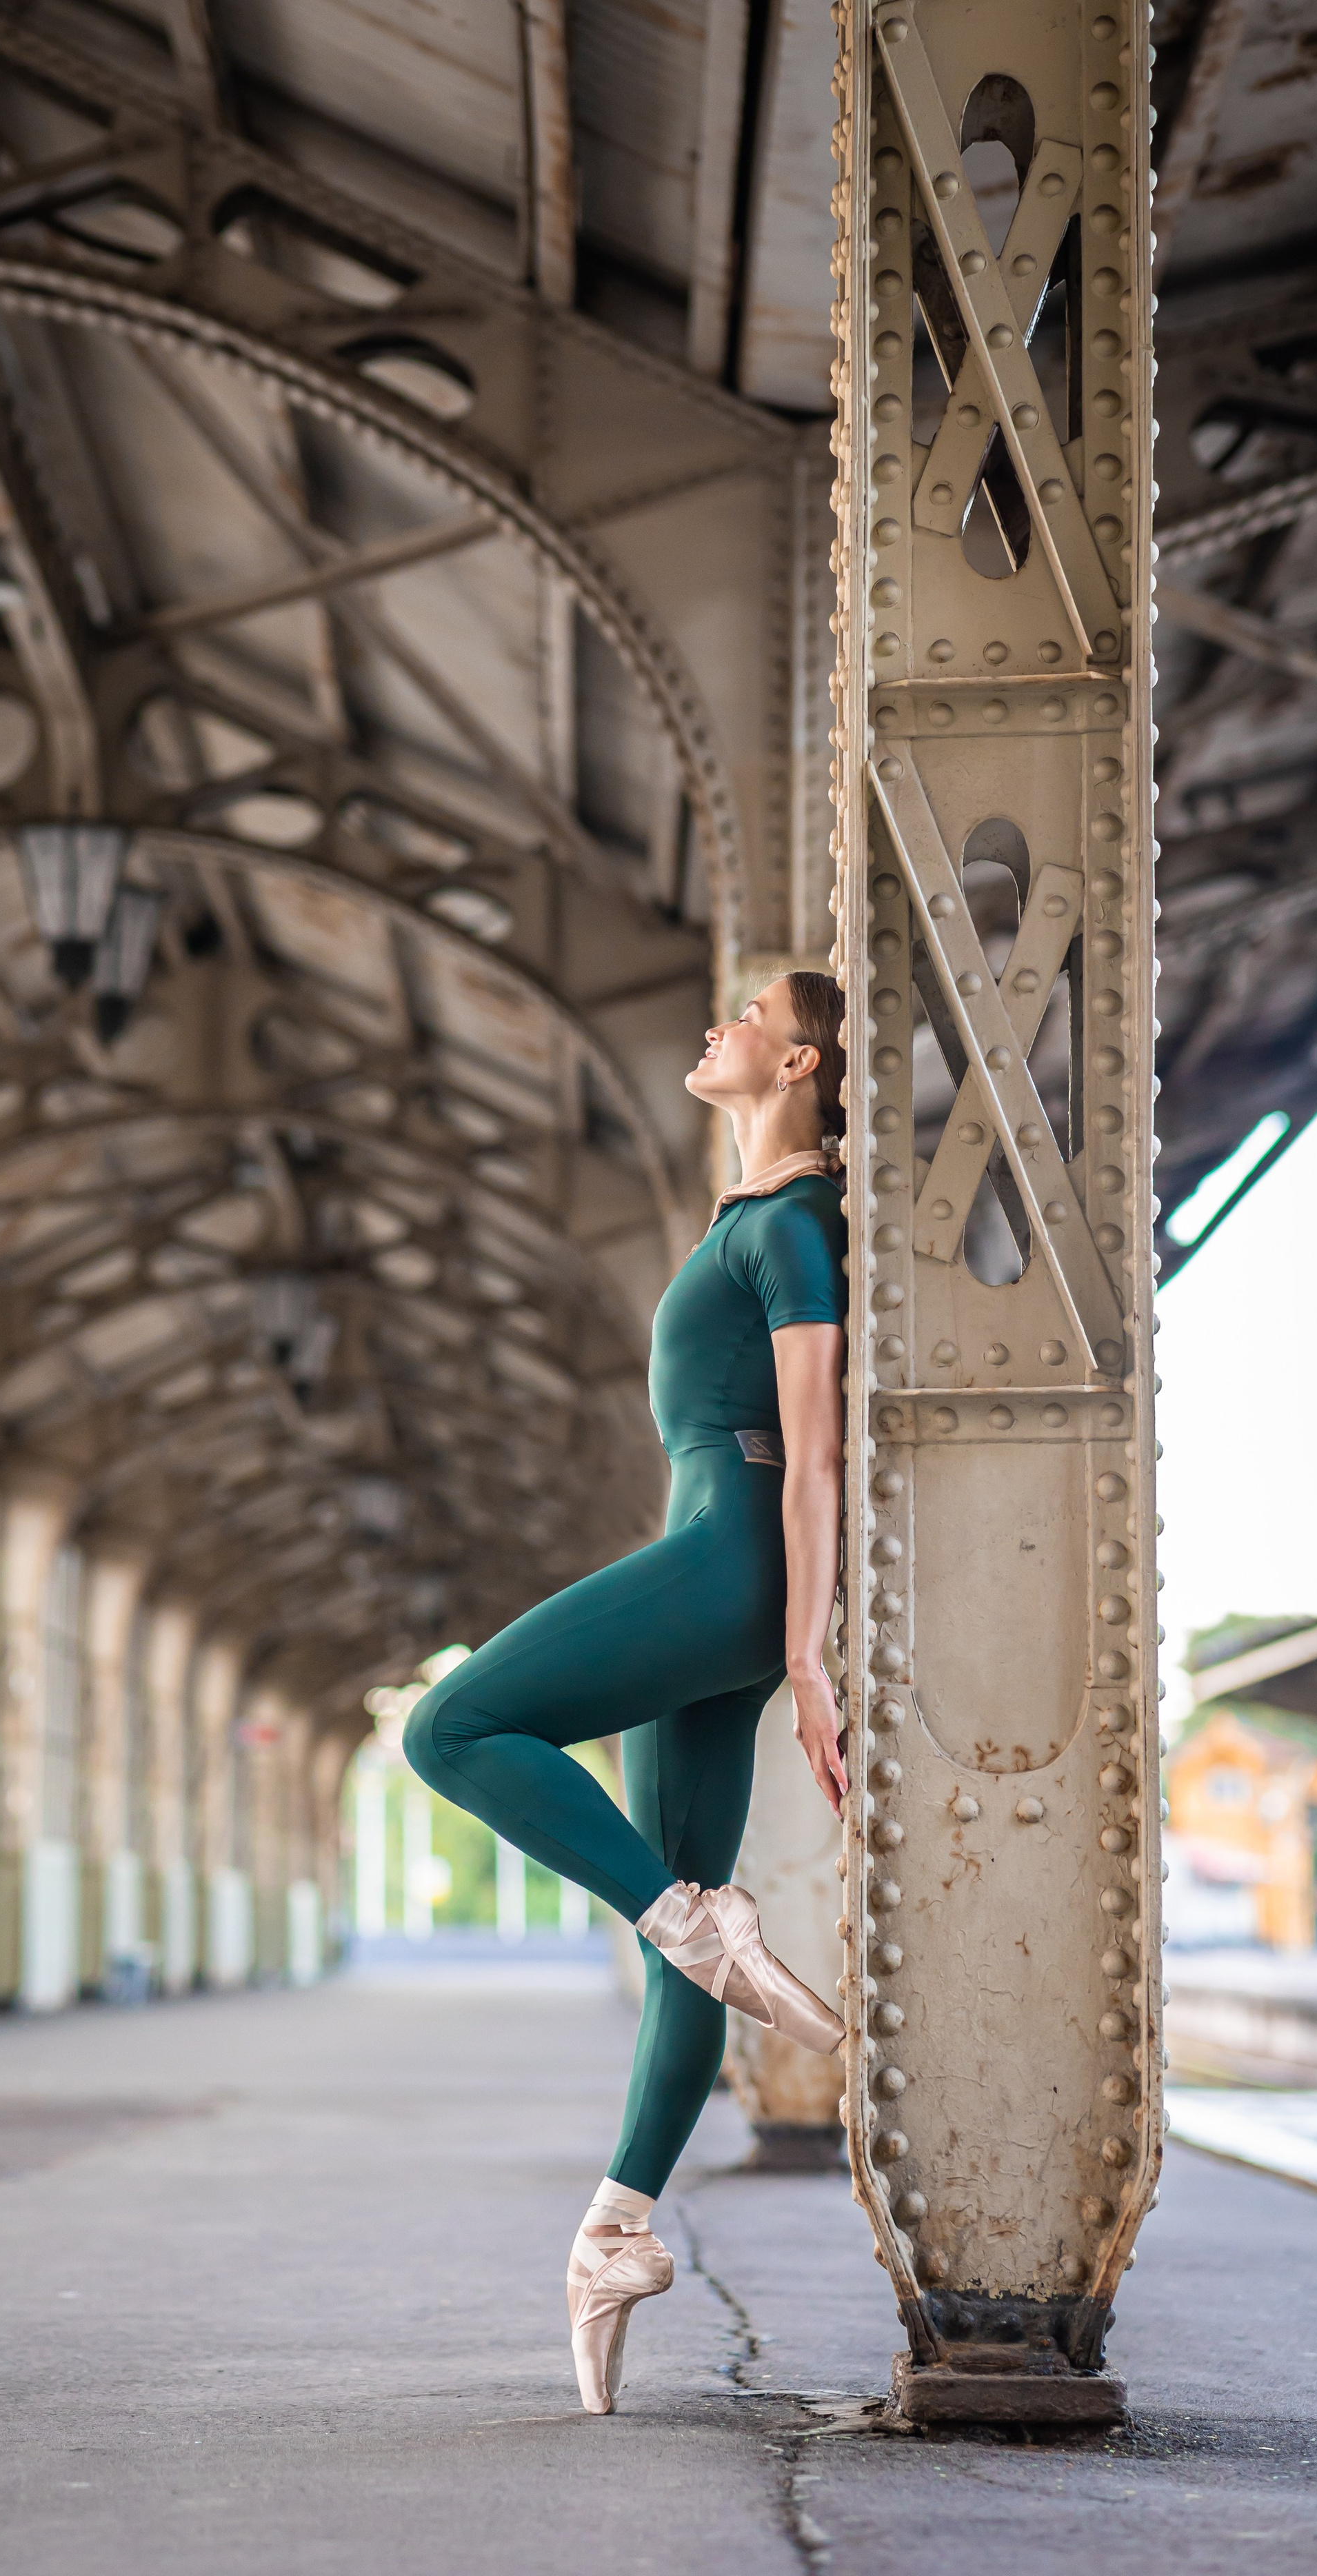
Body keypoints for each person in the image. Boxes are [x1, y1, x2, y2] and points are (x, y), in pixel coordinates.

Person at [404, 971, 850, 2413]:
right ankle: (616, 2235)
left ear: (798, 1057)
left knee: (450, 1724)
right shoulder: (752, 1216)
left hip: (723, 1560)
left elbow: (817, 1452)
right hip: (702, 1558)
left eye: (745, 1010)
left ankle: (692, 1923)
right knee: (682, 1921)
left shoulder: (791, 1227)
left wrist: (799, 1651)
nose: (711, 1024)